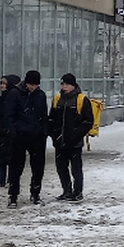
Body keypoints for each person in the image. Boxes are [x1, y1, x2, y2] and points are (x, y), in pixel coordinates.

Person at [48, 73, 94, 202]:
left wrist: (76, 134)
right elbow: (52, 119)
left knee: (76, 168)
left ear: (73, 85)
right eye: (63, 84)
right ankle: (67, 191)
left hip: (74, 142)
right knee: (61, 168)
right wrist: (54, 134)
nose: (65, 86)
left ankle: (77, 192)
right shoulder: (57, 99)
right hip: (60, 141)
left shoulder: (81, 99)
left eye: (67, 84)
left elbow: (88, 121)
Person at [12, 70, 49, 206]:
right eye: (31, 84)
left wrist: (44, 132)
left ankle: (35, 193)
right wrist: (13, 131)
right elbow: (9, 114)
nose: (33, 87)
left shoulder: (40, 95)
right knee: (16, 167)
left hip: (37, 136)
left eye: (35, 85)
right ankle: (13, 195)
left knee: (38, 167)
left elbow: (44, 115)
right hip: (20, 136)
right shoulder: (16, 94)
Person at [0, 74, 21, 195]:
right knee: (1, 157)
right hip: (0, 131)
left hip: (8, 131)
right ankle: (1, 178)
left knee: (10, 157)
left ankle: (8, 179)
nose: (2, 86)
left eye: (4, 83)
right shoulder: (2, 99)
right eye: (1, 84)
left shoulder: (12, 98)